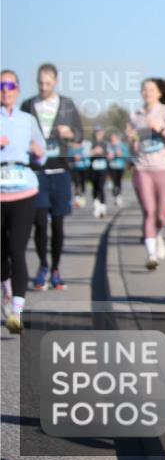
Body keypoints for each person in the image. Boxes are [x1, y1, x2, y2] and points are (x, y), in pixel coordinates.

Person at [21, 63, 83, 291]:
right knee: (39, 223)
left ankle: (56, 268)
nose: (43, 87)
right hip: (37, 172)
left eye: (48, 83)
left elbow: (79, 136)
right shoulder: (28, 105)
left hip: (60, 171)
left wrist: (69, 133)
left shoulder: (66, 105)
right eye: (40, 83)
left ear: (56, 81)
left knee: (58, 223)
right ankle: (42, 266)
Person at [1, 70, 47, 334]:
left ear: (17, 89)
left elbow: (40, 154)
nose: (6, 90)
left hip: (24, 190)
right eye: (1, 85)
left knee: (17, 249)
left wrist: (39, 152)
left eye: (10, 85)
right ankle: (7, 289)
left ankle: (17, 311)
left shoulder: (27, 120)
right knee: (1, 253)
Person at [127, 78, 165, 270]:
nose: (148, 92)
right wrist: (132, 143)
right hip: (142, 168)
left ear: (159, 93)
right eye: (144, 89)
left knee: (160, 214)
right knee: (149, 211)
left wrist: (160, 129)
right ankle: (151, 254)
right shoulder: (135, 116)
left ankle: (158, 234)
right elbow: (131, 148)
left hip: (163, 168)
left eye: (152, 89)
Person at [89, 126, 110, 218]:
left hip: (103, 168)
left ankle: (103, 206)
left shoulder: (105, 143)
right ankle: (96, 204)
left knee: (101, 187)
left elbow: (109, 154)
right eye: (97, 132)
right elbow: (87, 154)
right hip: (93, 168)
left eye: (100, 132)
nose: (99, 134)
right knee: (94, 187)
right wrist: (94, 151)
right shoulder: (91, 143)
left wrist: (104, 153)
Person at [107, 131, 129, 207]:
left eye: (113, 138)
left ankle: (118, 196)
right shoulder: (108, 145)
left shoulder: (122, 145)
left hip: (120, 166)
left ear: (116, 138)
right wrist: (108, 157)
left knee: (118, 182)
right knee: (113, 183)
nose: (112, 139)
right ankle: (115, 195)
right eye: (111, 138)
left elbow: (126, 155)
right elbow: (105, 154)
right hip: (111, 166)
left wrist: (121, 154)